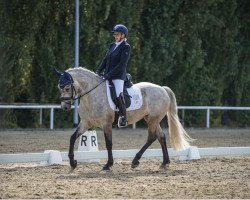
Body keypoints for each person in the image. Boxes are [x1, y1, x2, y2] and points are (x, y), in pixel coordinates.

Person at [96, 24, 131, 128]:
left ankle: (123, 117)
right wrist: (99, 70)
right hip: (108, 75)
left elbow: (121, 65)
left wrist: (108, 75)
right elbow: (105, 59)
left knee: (118, 94)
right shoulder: (112, 45)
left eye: (117, 34)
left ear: (123, 35)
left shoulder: (126, 47)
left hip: (118, 76)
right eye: (114, 34)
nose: (115, 36)